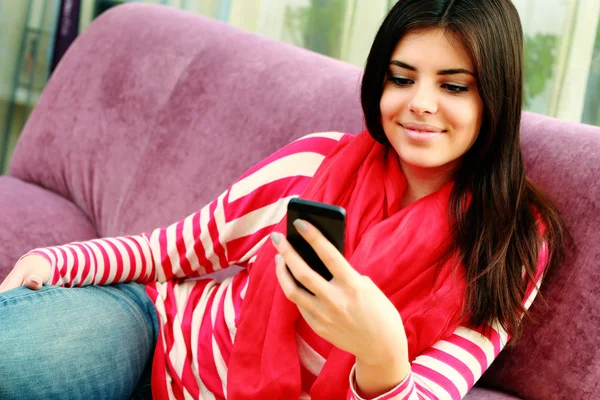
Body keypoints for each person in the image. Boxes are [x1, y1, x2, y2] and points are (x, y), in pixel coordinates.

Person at [0, 0, 566, 399]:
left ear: (496, 94)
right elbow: (174, 250)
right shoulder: (318, 160)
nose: (420, 103)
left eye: (453, 85)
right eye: (401, 78)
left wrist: (383, 355)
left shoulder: (511, 245)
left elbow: (432, 388)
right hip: (153, 332)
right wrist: (57, 259)